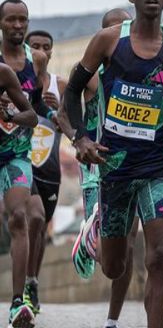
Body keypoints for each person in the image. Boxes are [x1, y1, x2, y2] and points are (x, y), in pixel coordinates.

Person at [63, 0, 163, 328]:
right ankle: (94, 232)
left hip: (159, 165)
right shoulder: (109, 41)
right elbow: (71, 93)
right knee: (115, 266)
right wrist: (81, 137)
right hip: (114, 167)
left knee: (159, 255)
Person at [0, 0, 52, 328]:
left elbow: (34, 111)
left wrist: (12, 114)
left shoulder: (30, 63)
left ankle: (19, 302)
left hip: (18, 154)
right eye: (11, 20)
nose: (18, 26)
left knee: (24, 217)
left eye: (23, 20)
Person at [23, 29, 67, 316]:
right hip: (21, 164)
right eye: (34, 45)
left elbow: (74, 126)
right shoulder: (15, 81)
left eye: (45, 46)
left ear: (51, 52)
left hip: (49, 169)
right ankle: (24, 287)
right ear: (27, 49)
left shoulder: (60, 85)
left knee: (39, 229)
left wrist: (60, 110)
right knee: (31, 220)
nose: (40, 50)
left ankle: (32, 282)